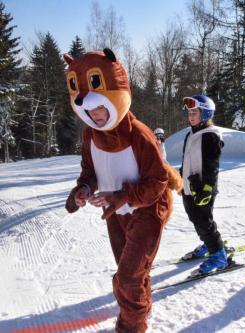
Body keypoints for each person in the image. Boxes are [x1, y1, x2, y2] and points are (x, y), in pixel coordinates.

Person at [63, 49, 182, 333]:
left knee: (127, 278)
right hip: (115, 214)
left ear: (114, 99)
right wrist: (83, 188)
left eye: (99, 107)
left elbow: (157, 181)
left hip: (146, 212)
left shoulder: (139, 134)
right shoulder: (90, 134)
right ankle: (140, 307)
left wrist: (123, 196)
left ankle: (131, 327)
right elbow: (89, 171)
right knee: (134, 274)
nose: (94, 115)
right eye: (88, 111)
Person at [180, 94, 228, 275]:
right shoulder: (191, 134)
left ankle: (219, 255)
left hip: (203, 189)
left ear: (206, 114)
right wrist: (180, 181)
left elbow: (211, 166)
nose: (190, 116)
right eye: (189, 113)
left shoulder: (211, 136)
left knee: (204, 222)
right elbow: (187, 161)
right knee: (196, 219)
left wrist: (206, 190)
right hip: (189, 187)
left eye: (195, 112)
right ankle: (208, 244)